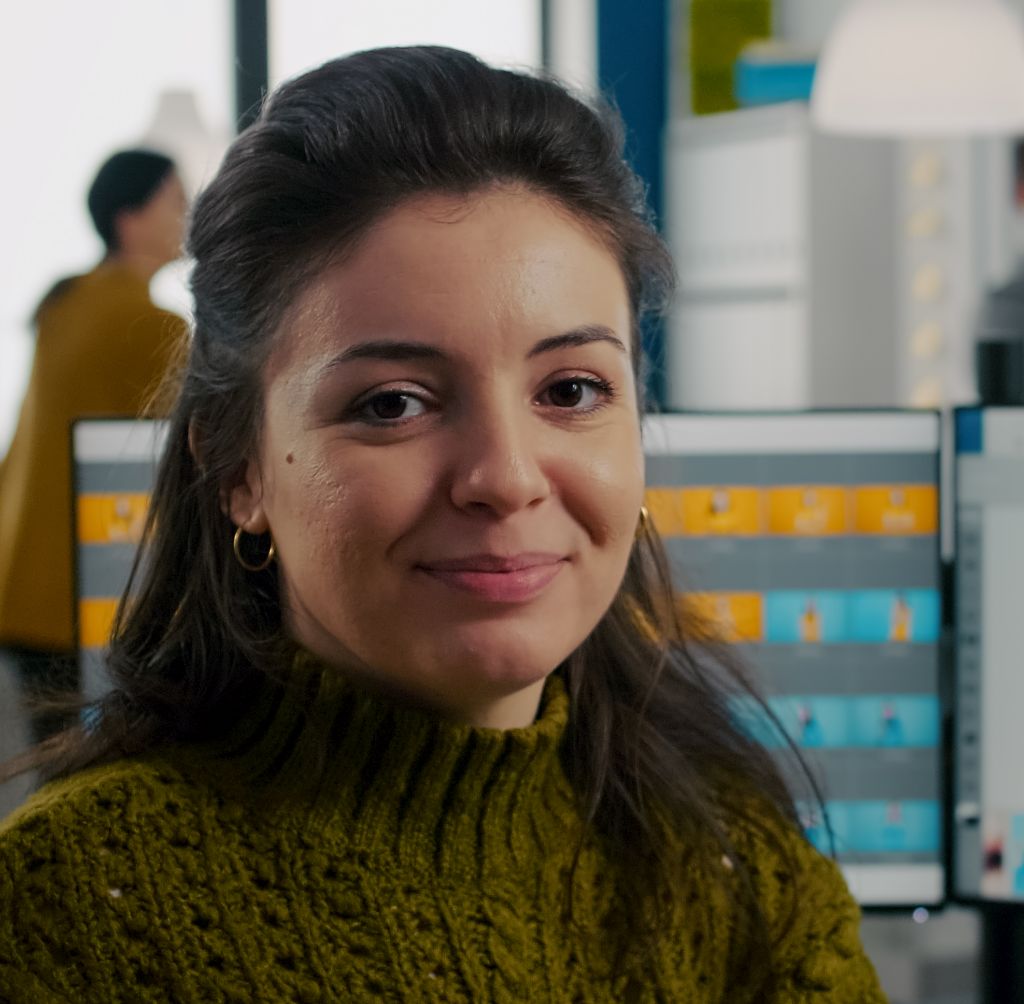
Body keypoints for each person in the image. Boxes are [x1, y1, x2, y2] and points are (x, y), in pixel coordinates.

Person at [0, 48, 886, 1001]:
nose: (505, 479)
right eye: (393, 404)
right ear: (239, 466)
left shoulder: (740, 864)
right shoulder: (63, 916)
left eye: (573, 389)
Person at [0, 149, 187, 743]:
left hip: (21, 579)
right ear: (130, 220)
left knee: (50, 772)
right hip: (81, 600)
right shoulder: (149, 324)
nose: (188, 216)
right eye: (176, 202)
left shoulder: (67, 302)